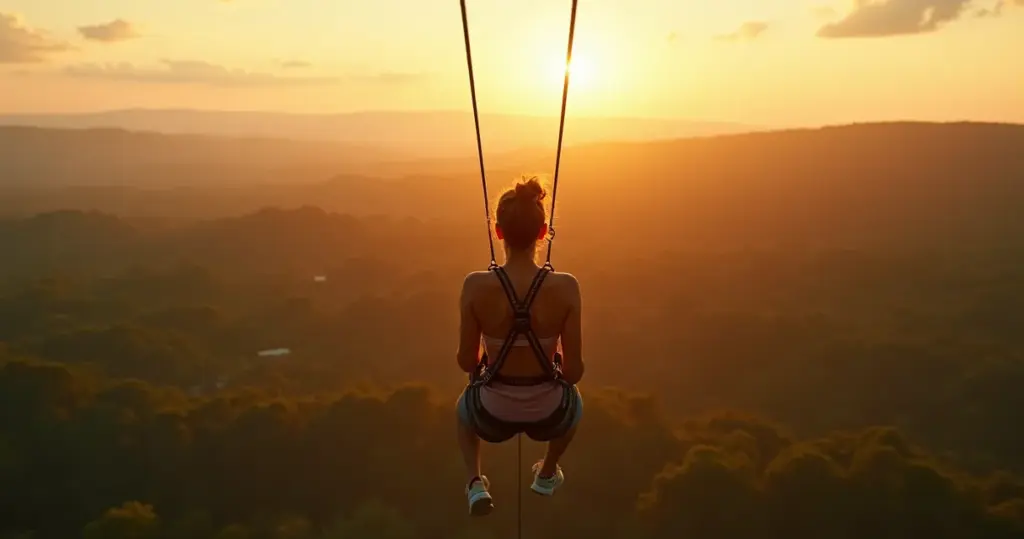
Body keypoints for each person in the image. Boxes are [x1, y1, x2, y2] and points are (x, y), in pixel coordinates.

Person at [454, 176, 585, 516]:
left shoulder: (475, 286)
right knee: (576, 402)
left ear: (498, 232)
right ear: (543, 233)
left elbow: (467, 363)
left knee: (462, 410)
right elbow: (573, 372)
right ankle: (546, 471)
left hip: (490, 413)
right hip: (550, 413)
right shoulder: (567, 288)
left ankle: (474, 482)